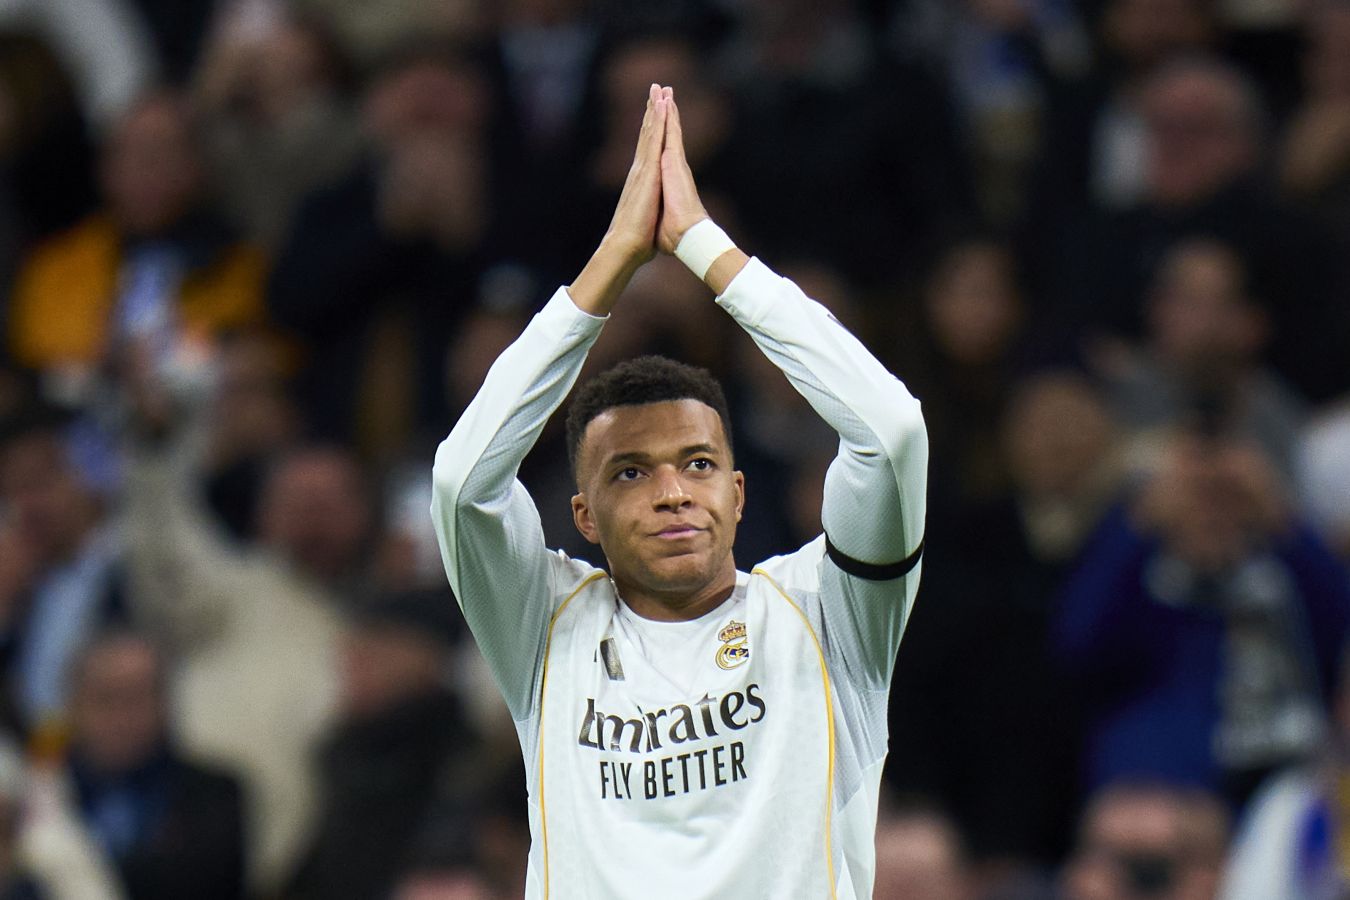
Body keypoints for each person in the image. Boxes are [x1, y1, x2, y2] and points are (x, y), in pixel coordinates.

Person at [431, 85, 927, 897]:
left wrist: (704, 248)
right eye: (631, 471)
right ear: (583, 516)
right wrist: (612, 264)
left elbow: (892, 430)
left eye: (697, 465)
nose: (672, 492)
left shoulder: (830, 615)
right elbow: (462, 483)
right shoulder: (545, 627)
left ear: (738, 492)